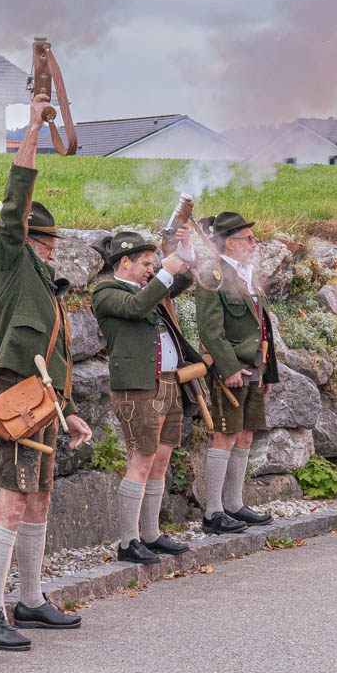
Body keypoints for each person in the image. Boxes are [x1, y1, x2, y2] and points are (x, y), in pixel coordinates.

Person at [0, 94, 94, 652]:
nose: (52, 250)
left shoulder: (43, 284)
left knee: (38, 499)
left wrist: (68, 413)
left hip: (42, 401)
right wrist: (34, 126)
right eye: (47, 241)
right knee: (12, 499)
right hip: (16, 399)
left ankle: (31, 597)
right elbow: (15, 194)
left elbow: (54, 358)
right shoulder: (9, 257)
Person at [91, 228, 201, 565]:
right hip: (137, 386)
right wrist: (166, 269)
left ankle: (150, 534)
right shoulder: (106, 292)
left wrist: (184, 250)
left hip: (168, 382)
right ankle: (128, 541)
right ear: (123, 262)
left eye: (152, 264)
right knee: (141, 458)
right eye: (144, 263)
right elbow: (138, 307)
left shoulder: (147, 288)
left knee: (161, 458)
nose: (150, 269)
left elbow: (181, 281)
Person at [193, 211, 278, 535]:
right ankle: (213, 512)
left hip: (255, 365)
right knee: (226, 434)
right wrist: (227, 368)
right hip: (231, 367)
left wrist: (268, 373)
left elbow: (263, 325)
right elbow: (211, 330)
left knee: (245, 433)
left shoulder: (245, 273)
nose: (254, 243)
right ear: (229, 243)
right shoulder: (212, 275)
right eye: (248, 238)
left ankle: (234, 503)